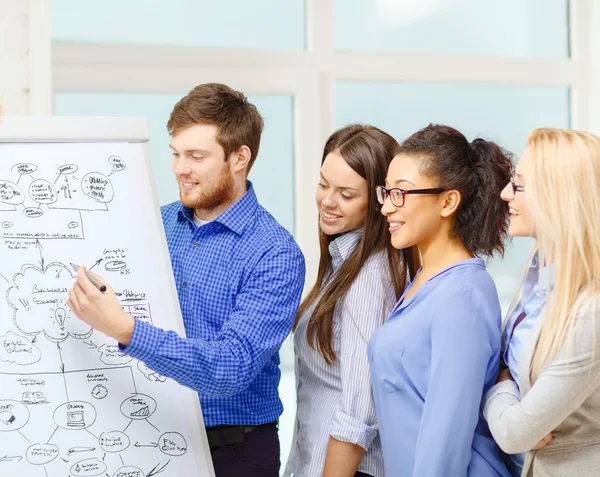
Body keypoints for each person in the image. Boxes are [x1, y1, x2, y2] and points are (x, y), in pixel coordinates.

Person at [66, 83, 306, 477]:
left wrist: (124, 329)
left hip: (233, 452)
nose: (180, 168)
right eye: (176, 154)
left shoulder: (274, 253)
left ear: (239, 157)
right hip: (149, 435)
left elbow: (231, 368)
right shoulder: (156, 224)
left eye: (196, 156)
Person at [368, 124, 512, 477]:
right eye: (386, 193)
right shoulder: (424, 280)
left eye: (401, 194)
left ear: (448, 201)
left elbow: (446, 437)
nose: (387, 207)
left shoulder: (463, 295)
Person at [284, 125, 418, 477]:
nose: (327, 201)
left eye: (345, 193)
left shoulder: (369, 277)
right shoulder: (344, 260)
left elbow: (360, 407)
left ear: (379, 201)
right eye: (324, 184)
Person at [484, 128, 600, 477]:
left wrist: (500, 386)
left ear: (558, 197)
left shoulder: (590, 313)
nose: (506, 193)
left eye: (519, 185)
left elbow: (514, 432)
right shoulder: (538, 277)